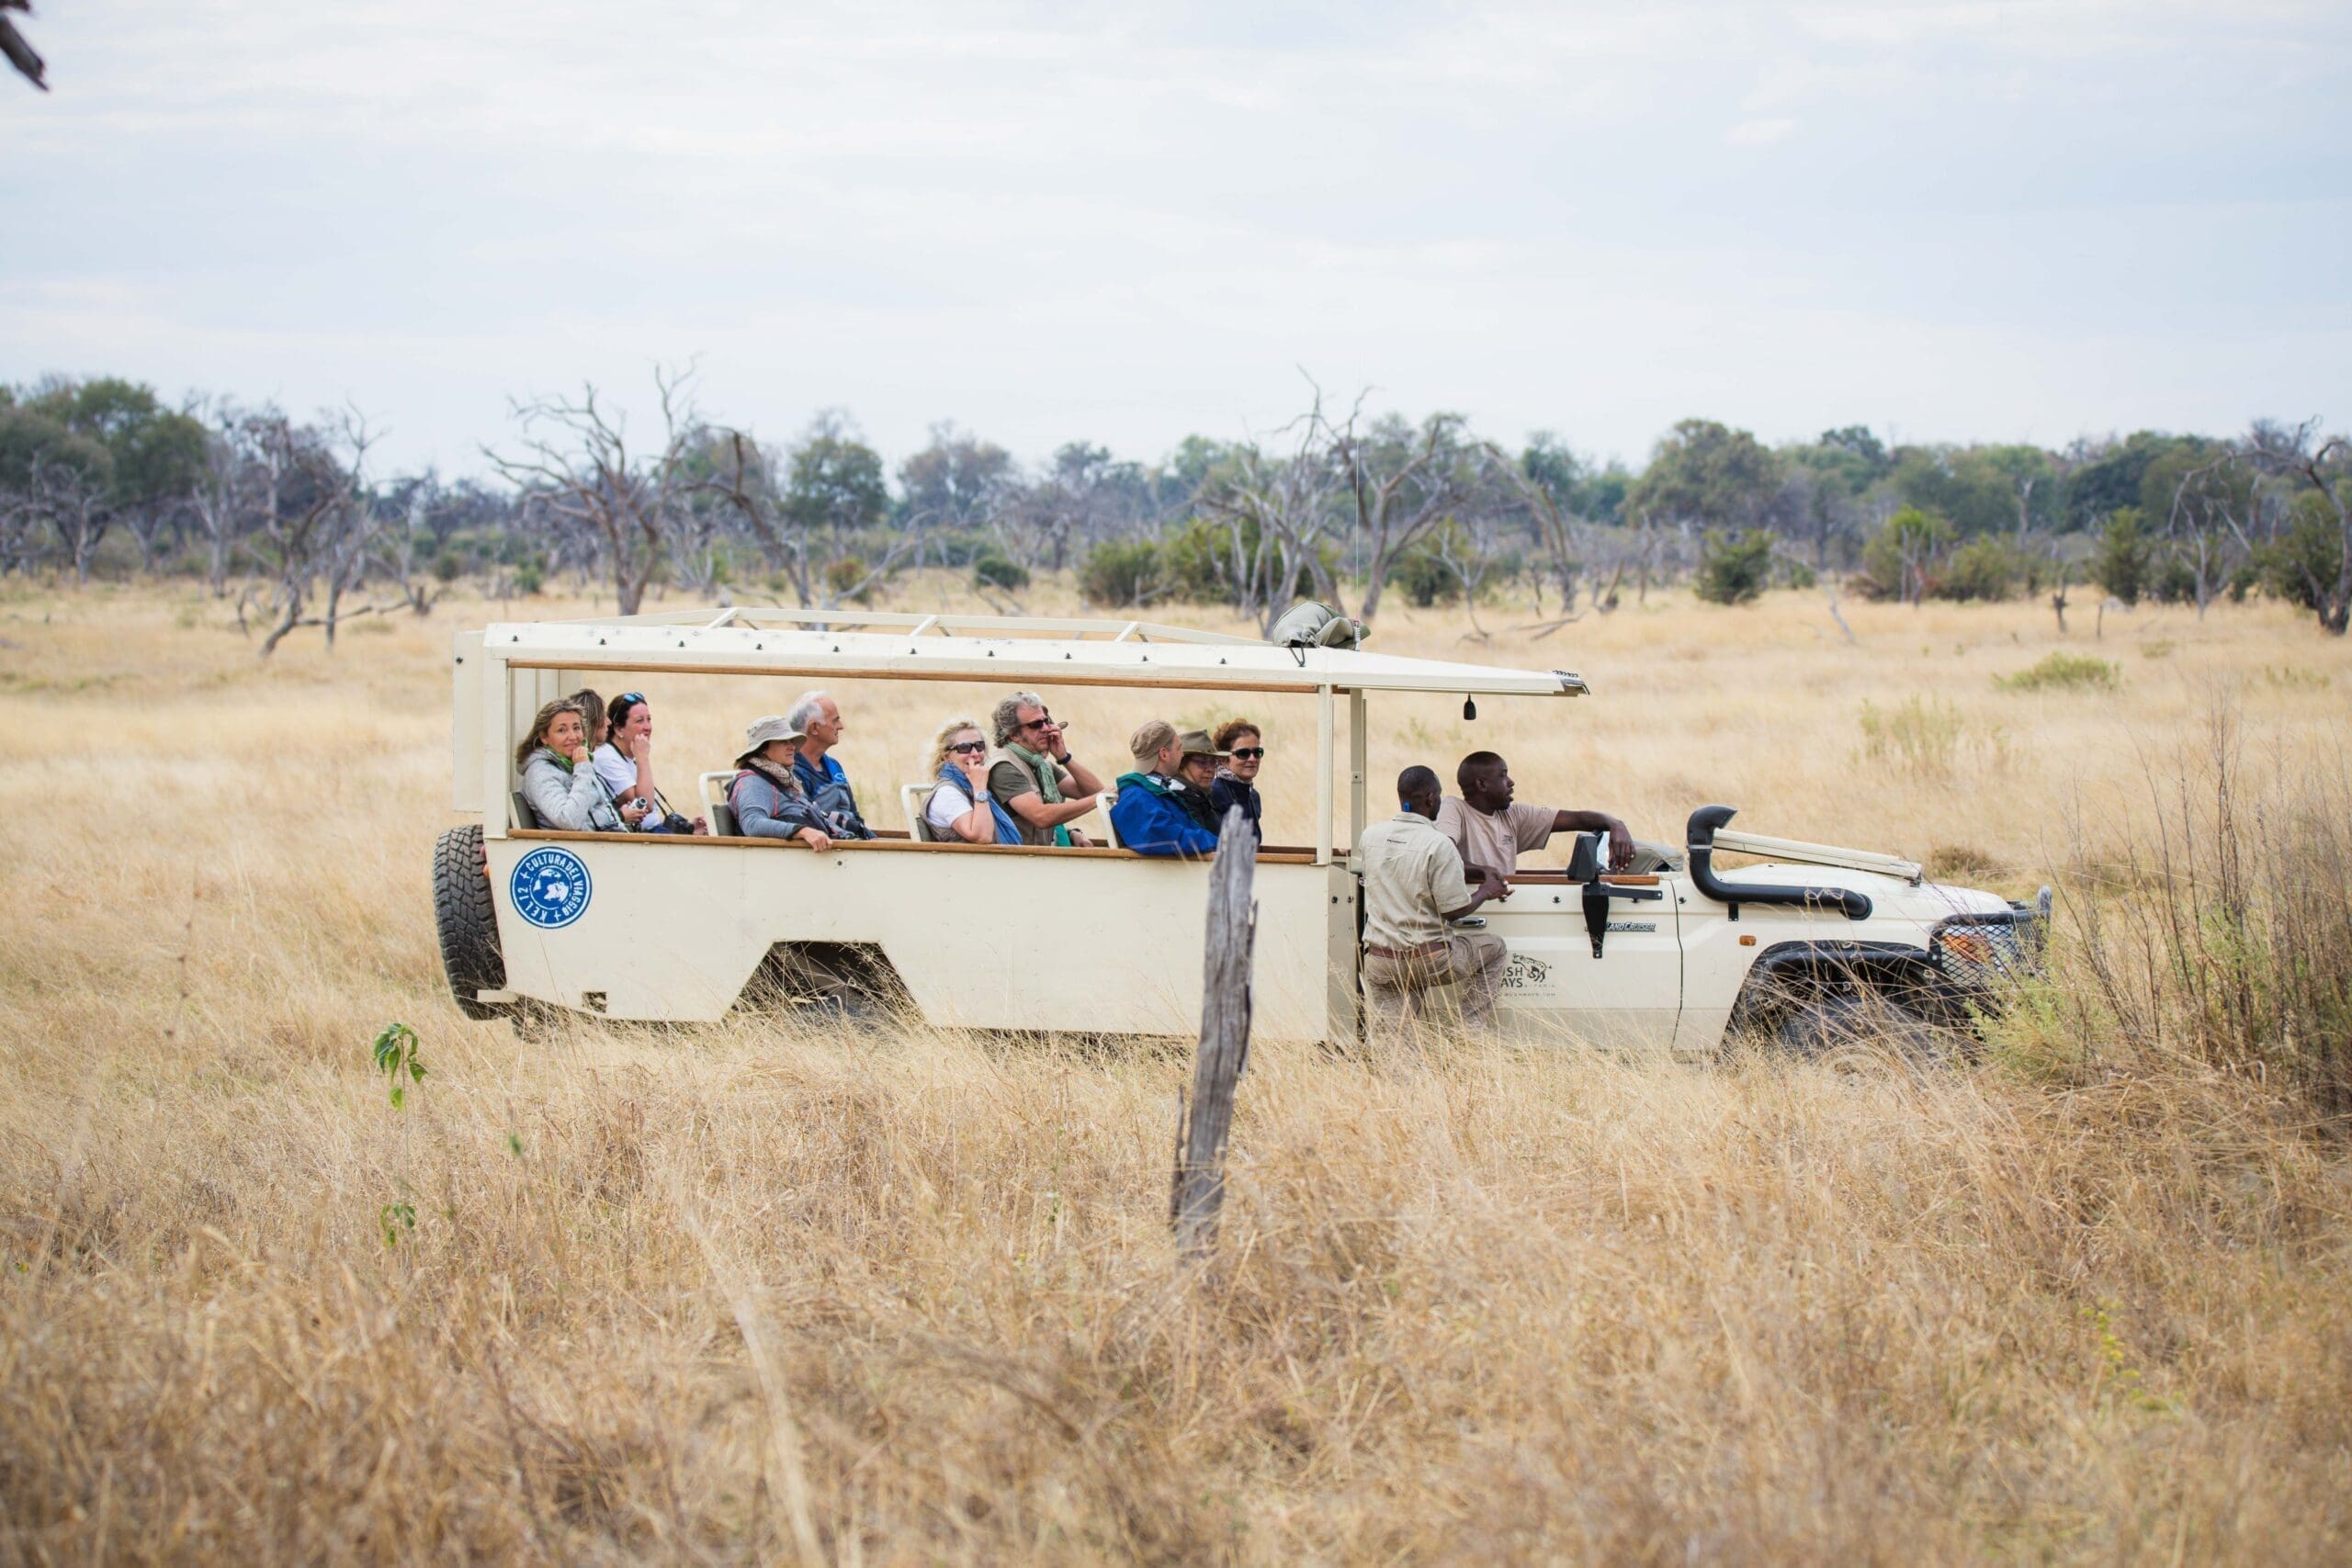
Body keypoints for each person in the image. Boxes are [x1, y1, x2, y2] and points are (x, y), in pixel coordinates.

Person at [1358, 765, 1512, 1041]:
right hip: (1430, 960)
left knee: (1396, 1050)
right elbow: (1453, 911)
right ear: (1431, 798)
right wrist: (1486, 890)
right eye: (1439, 796)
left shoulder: (1370, 836)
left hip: (1381, 960)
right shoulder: (1439, 844)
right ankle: (1469, 1030)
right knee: (1496, 948)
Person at [1435, 750, 1636, 880]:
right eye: (1503, 775)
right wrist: (1485, 872)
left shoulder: (1513, 815)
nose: (1511, 782)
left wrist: (1615, 824)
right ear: (1481, 784)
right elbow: (1444, 855)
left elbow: (1577, 819)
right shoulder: (1454, 808)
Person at [986, 691, 1107, 848]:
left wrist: (1064, 758)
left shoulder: (1041, 765)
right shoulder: (1004, 767)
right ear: (1014, 735)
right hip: (1013, 863)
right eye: (1036, 725)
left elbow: (1093, 792)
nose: (1046, 728)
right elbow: (1041, 816)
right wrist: (1099, 797)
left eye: (1046, 721)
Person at [596, 692, 708, 835]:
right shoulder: (606, 758)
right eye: (639, 721)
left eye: (648, 719)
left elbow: (650, 819)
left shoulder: (630, 758)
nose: (647, 727)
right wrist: (643, 758)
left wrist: (687, 828)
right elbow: (646, 804)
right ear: (618, 729)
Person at [1109, 720, 1220, 858]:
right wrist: (1221, 843)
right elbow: (1163, 836)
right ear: (1164, 754)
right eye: (1179, 748)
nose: (1182, 754)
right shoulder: (1136, 796)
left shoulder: (1156, 791)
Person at [516, 700, 626, 832]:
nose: (573, 737)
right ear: (544, 737)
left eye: (576, 728)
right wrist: (582, 769)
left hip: (607, 842)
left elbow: (604, 807)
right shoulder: (540, 771)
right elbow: (569, 820)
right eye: (562, 730)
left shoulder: (572, 763)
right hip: (579, 848)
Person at [728, 716, 834, 850]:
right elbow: (752, 824)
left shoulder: (782, 779)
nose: (792, 747)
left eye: (791, 741)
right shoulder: (752, 783)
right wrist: (803, 831)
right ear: (762, 748)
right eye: (783, 741)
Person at [786, 689, 873, 839]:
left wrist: (868, 837)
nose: (841, 726)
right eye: (835, 720)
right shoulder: (792, 771)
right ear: (814, 728)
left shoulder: (834, 765)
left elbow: (855, 816)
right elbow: (813, 820)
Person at [922, 716, 1023, 845]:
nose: (975, 753)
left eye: (979, 746)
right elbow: (982, 837)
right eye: (965, 748)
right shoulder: (947, 794)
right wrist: (980, 789)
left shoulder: (969, 786)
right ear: (947, 756)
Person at [1210, 720, 1265, 844]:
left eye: (1257, 752)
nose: (1252, 759)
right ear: (1223, 759)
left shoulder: (1253, 796)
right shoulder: (1213, 793)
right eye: (1243, 753)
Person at [1170, 729, 1227, 834]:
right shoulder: (1177, 799)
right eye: (1202, 762)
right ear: (1181, 764)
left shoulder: (1201, 796)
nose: (1210, 769)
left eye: (1213, 762)